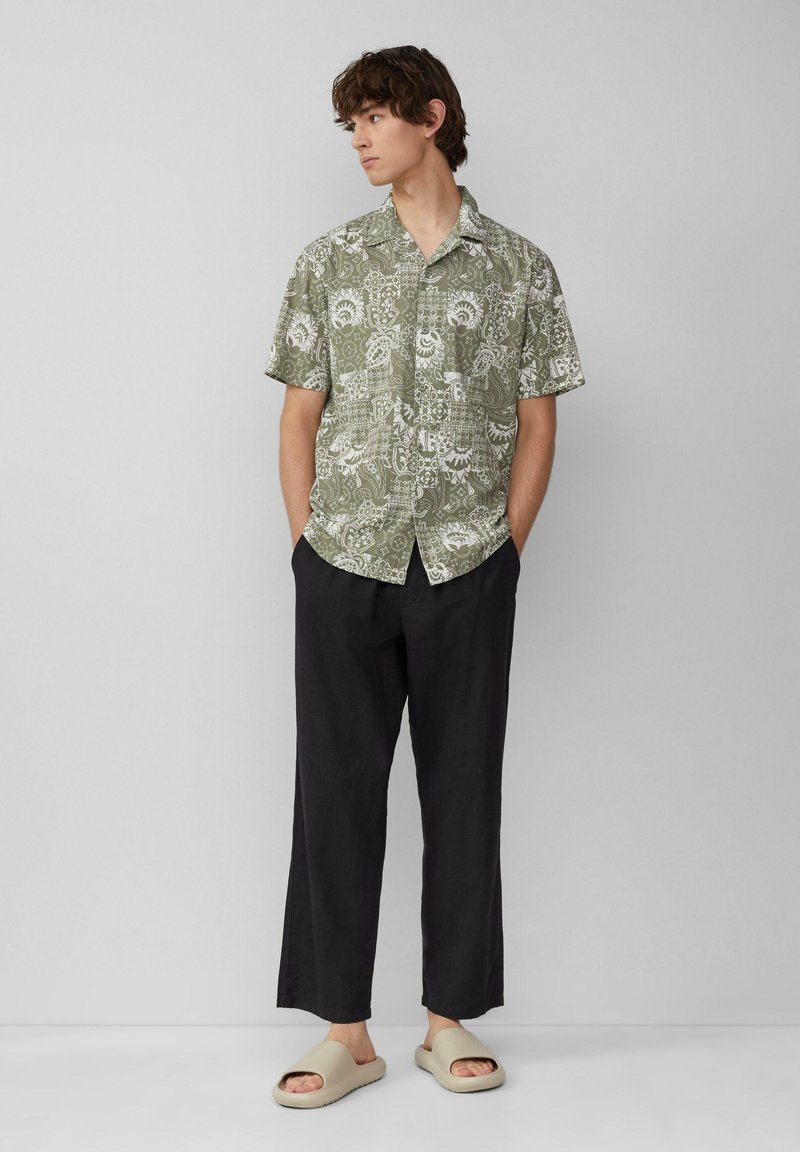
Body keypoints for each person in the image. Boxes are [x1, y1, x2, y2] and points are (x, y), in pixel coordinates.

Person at [263, 45, 586, 1108]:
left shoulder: (520, 267)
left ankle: (449, 1021)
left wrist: (505, 548)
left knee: (463, 789)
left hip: (466, 564)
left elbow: (538, 423)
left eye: (373, 117)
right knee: (335, 792)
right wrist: (308, 546)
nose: (358, 139)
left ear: (430, 117)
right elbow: (298, 415)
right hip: (344, 559)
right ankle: (344, 1033)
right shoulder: (329, 260)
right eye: (350, 123)